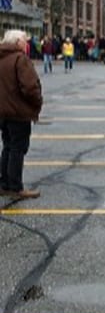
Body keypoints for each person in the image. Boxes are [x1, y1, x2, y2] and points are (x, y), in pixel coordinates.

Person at [0, 30, 43, 199]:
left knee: (8, 147)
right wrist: (37, 102)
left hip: (3, 112)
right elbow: (30, 87)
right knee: (18, 148)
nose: (26, 44)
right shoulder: (20, 59)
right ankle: (15, 187)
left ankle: (4, 183)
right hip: (18, 111)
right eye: (25, 41)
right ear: (17, 42)